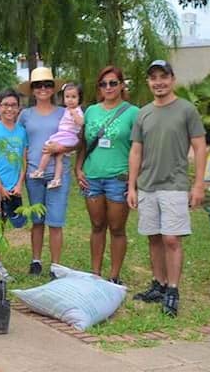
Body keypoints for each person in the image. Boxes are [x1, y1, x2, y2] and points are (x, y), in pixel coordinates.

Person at [128, 60, 206, 316]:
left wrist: (198, 185)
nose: (158, 82)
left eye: (163, 77)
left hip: (174, 184)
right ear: (148, 82)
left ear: (172, 79)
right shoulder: (144, 113)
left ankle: (173, 289)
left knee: (171, 238)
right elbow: (136, 151)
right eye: (153, 78)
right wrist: (132, 186)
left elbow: (199, 147)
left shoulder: (186, 110)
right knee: (153, 236)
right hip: (147, 185)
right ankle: (158, 284)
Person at [74, 66, 139, 285]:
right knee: (97, 225)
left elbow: (138, 148)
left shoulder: (132, 113)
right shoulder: (91, 111)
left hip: (118, 178)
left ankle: (114, 276)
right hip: (92, 176)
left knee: (117, 228)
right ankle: (95, 273)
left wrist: (133, 178)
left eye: (113, 83)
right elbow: (83, 143)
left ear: (122, 85)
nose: (108, 87)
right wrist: (78, 167)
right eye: (104, 84)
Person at [18, 67, 75, 277]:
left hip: (58, 173)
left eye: (47, 85)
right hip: (34, 173)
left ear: (53, 89)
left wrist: (62, 149)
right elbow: (19, 142)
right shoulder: (25, 115)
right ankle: (36, 260)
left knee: (56, 221)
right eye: (38, 85)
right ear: (32, 90)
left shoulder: (64, 112)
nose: (43, 89)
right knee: (37, 220)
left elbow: (76, 140)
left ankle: (56, 265)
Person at [0, 89, 28, 281]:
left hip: (13, 188)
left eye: (13, 105)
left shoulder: (22, 132)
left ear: (18, 108)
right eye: (5, 105)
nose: (9, 109)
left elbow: (23, 161)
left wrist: (19, 185)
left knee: (3, 225)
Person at [33, 83, 84, 189]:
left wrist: (75, 115)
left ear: (79, 98)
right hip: (65, 136)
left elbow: (81, 123)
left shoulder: (76, 111)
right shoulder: (65, 110)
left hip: (67, 136)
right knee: (59, 158)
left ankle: (40, 170)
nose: (70, 100)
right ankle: (57, 179)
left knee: (48, 147)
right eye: (67, 97)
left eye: (74, 97)